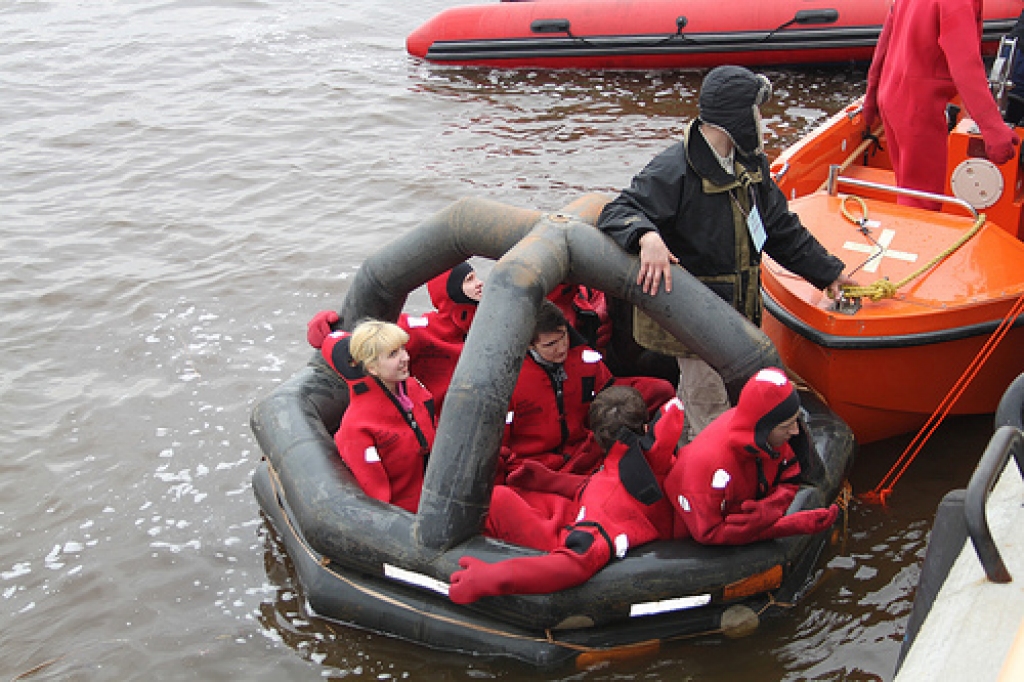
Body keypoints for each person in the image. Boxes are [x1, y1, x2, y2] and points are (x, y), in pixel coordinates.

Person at [597, 65, 855, 443]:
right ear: (737, 119)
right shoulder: (675, 169)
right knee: (708, 398)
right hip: (694, 319)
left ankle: (688, 443)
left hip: (736, 311)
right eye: (756, 112)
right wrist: (646, 236)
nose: (762, 121)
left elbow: (780, 228)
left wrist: (828, 272)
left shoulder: (751, 165)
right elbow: (619, 211)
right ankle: (710, 468)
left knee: (717, 395)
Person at [449, 387, 687, 603]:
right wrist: (550, 481)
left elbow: (577, 562)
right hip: (618, 517)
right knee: (524, 494)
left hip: (590, 535)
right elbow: (617, 486)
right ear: (645, 428)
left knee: (499, 500)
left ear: (594, 438)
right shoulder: (660, 459)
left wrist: (492, 577)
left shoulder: (607, 498)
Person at [862, 0, 1020, 211]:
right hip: (919, 106)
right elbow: (966, 65)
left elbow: (887, 36)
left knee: (907, 185)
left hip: (892, 94)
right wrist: (992, 128)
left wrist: (871, 95)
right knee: (921, 199)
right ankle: (913, 241)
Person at [663, 367, 838, 545]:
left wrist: (771, 508)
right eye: (787, 426)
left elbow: (790, 476)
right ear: (763, 428)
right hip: (686, 528)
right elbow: (707, 534)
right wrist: (790, 525)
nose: (795, 431)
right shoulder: (708, 467)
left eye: (795, 421)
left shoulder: (771, 437)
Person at [502, 300, 674, 478]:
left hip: (586, 450)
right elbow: (498, 444)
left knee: (660, 390)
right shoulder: (510, 381)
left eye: (564, 336)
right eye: (550, 344)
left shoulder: (584, 357)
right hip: (536, 466)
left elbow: (609, 392)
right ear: (529, 345)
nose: (561, 348)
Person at [308, 262, 483, 413]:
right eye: (469, 279)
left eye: (476, 277)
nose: (479, 283)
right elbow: (372, 337)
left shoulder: (490, 323)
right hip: (441, 421)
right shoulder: (419, 330)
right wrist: (331, 330)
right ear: (448, 291)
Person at [318, 320, 436, 513]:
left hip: (437, 496)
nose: (405, 357)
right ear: (371, 367)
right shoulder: (357, 426)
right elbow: (376, 501)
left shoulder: (415, 389)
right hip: (408, 518)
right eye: (393, 354)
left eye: (402, 349)